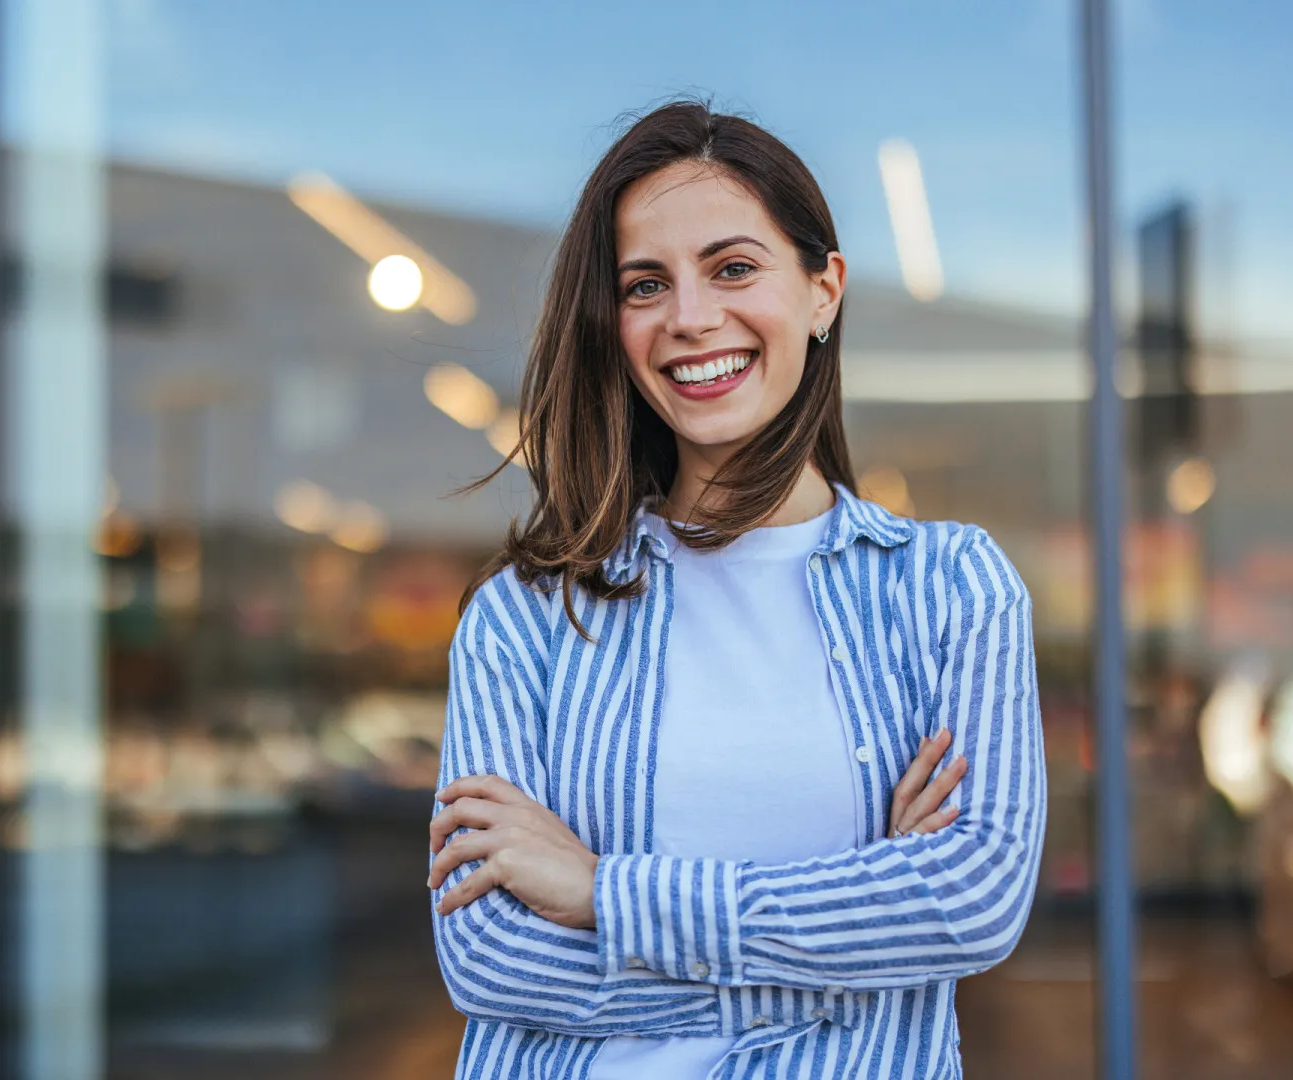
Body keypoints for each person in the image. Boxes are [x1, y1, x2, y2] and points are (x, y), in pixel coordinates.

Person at [425, 101, 1045, 1080]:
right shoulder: (525, 618)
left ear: (823, 291)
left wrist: (605, 893)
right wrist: (858, 925)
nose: (691, 317)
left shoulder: (951, 592)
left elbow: (973, 900)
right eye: (644, 285)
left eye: (734, 267)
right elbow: (489, 957)